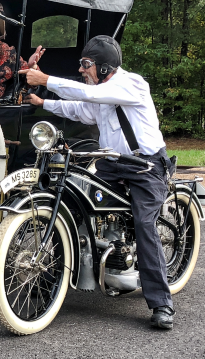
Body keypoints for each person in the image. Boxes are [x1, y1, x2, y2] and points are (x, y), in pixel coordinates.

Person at [21, 35, 175, 329]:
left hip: (145, 166)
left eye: (86, 64)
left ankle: (161, 303)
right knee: (77, 206)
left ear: (104, 67)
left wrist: (46, 80)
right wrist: (43, 102)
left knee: (144, 224)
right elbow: (80, 109)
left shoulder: (132, 84)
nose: (81, 69)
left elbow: (87, 95)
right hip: (112, 164)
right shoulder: (102, 93)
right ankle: (56, 276)